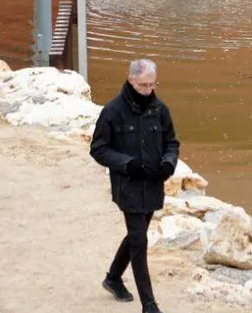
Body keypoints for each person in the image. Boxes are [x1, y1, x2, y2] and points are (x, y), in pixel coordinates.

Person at [90, 59, 180, 313]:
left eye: (152, 85)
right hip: (128, 185)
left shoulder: (159, 110)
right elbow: (98, 149)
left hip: (153, 185)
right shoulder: (113, 111)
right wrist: (127, 164)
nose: (148, 90)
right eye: (143, 85)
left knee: (135, 237)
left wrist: (168, 164)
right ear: (130, 80)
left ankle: (113, 278)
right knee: (140, 242)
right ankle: (149, 305)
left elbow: (172, 143)